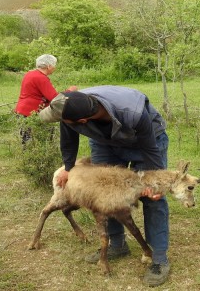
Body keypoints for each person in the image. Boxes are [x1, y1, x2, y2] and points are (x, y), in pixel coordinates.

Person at [38, 86, 171, 287]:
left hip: (146, 140)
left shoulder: (132, 112)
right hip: (104, 142)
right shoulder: (71, 107)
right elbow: (68, 136)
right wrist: (67, 166)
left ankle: (159, 257)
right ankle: (117, 245)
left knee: (151, 198)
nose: (65, 123)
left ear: (83, 121)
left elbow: (150, 149)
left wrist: (154, 186)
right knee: (104, 193)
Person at [14, 54, 76, 143]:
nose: (54, 67)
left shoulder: (30, 74)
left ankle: (30, 155)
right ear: (48, 66)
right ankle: (40, 155)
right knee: (43, 138)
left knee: (26, 139)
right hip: (33, 112)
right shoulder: (41, 78)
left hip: (22, 110)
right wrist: (70, 91)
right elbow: (54, 98)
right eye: (54, 65)